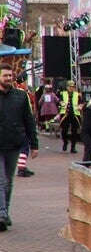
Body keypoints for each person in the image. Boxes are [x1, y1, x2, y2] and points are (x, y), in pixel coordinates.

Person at [0, 64, 38, 231]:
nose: (9, 78)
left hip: (14, 143)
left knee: (8, 181)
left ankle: (5, 212)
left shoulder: (21, 96)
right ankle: (1, 214)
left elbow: (29, 121)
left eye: (10, 75)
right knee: (0, 181)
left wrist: (34, 144)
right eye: (5, 76)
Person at [57, 79, 84, 154]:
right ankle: (65, 142)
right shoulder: (62, 93)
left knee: (74, 132)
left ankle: (73, 147)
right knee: (64, 130)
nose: (71, 88)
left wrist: (80, 106)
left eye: (73, 87)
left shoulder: (77, 94)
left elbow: (81, 102)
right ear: (67, 87)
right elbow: (59, 100)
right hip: (65, 114)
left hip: (75, 114)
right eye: (70, 87)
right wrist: (61, 103)